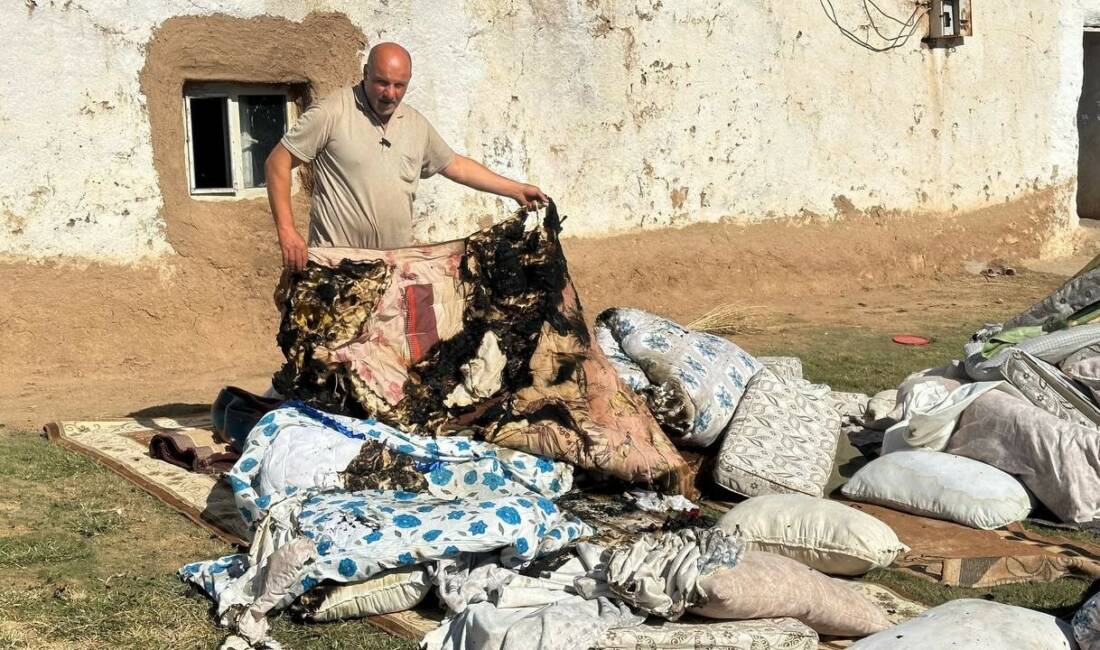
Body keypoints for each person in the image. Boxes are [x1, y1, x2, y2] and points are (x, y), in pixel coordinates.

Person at [265, 42, 548, 270]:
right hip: (336, 266)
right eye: (381, 83)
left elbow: (455, 165)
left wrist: (515, 189)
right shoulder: (333, 112)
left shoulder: (415, 124)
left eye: (399, 85)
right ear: (365, 73)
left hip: (394, 267)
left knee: (395, 343)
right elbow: (277, 162)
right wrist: (287, 230)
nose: (390, 93)